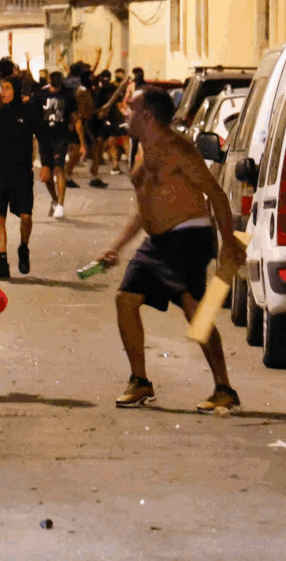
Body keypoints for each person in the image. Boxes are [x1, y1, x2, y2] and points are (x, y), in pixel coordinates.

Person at [98, 88, 247, 413]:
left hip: (188, 238)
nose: (126, 113)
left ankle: (224, 389)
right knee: (126, 300)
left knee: (198, 314)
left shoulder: (178, 150)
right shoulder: (145, 150)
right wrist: (116, 247)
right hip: (158, 243)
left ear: (147, 115)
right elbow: (146, 209)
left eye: (131, 108)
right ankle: (140, 382)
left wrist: (230, 244)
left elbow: (217, 195)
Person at [0, 76, 51, 279]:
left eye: (7, 89)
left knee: (26, 217)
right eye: (1, 89)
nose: (3, 92)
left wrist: (47, 164)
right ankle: (2, 263)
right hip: (0, 173)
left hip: (22, 173)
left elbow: (43, 137)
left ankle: (23, 247)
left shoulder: (30, 111)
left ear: (16, 90)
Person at [38, 69, 78, 219]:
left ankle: (60, 204)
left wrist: (78, 141)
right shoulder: (41, 95)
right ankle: (54, 199)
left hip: (61, 137)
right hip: (45, 138)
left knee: (59, 168)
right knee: (46, 174)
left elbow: (75, 117)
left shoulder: (68, 95)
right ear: (49, 79)